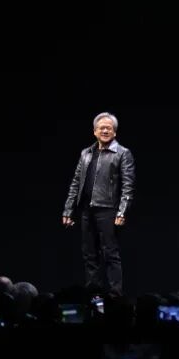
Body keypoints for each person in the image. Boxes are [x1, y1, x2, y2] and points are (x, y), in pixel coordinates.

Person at [62, 112, 135, 298]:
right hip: (87, 210)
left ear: (114, 132)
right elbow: (76, 182)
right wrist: (68, 210)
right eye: (101, 128)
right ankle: (94, 296)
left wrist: (122, 212)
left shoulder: (122, 153)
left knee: (110, 253)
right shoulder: (86, 153)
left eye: (109, 128)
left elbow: (128, 186)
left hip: (108, 210)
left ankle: (115, 296)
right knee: (89, 254)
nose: (105, 131)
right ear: (94, 131)